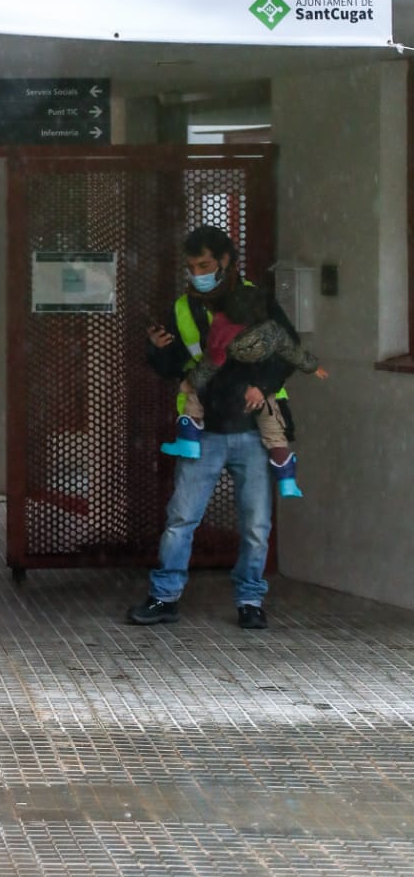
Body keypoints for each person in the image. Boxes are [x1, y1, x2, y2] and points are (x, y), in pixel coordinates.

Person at [128, 225, 301, 632]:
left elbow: (288, 352)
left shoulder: (258, 300)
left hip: (254, 432)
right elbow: (174, 369)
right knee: (181, 518)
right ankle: (164, 597)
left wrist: (262, 384)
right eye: (191, 266)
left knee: (256, 525)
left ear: (226, 262)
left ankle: (250, 600)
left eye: (204, 265)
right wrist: (159, 349)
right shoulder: (183, 309)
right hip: (203, 430)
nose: (198, 273)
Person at [163, 281, 329, 498]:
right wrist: (313, 367)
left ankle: (188, 440)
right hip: (260, 386)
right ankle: (287, 480)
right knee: (274, 435)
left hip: (232, 374)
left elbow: (212, 360)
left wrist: (191, 382)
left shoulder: (221, 325)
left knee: (194, 392)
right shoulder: (271, 329)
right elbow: (292, 352)